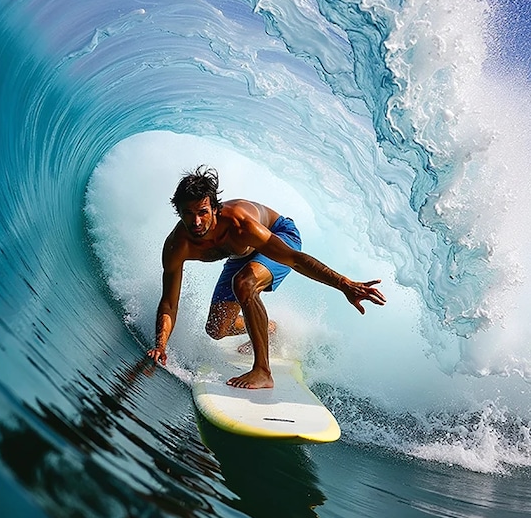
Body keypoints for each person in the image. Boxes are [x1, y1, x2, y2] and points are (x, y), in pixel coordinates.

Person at [147, 166, 386, 389]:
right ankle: (270, 328)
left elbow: (294, 259)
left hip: (280, 235)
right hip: (241, 254)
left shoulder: (241, 226)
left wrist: (343, 283)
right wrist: (161, 344)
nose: (196, 222)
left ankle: (263, 371)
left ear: (215, 209)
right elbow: (169, 303)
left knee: (244, 284)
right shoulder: (177, 246)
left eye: (202, 212)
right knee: (217, 328)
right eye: (188, 214)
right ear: (178, 212)